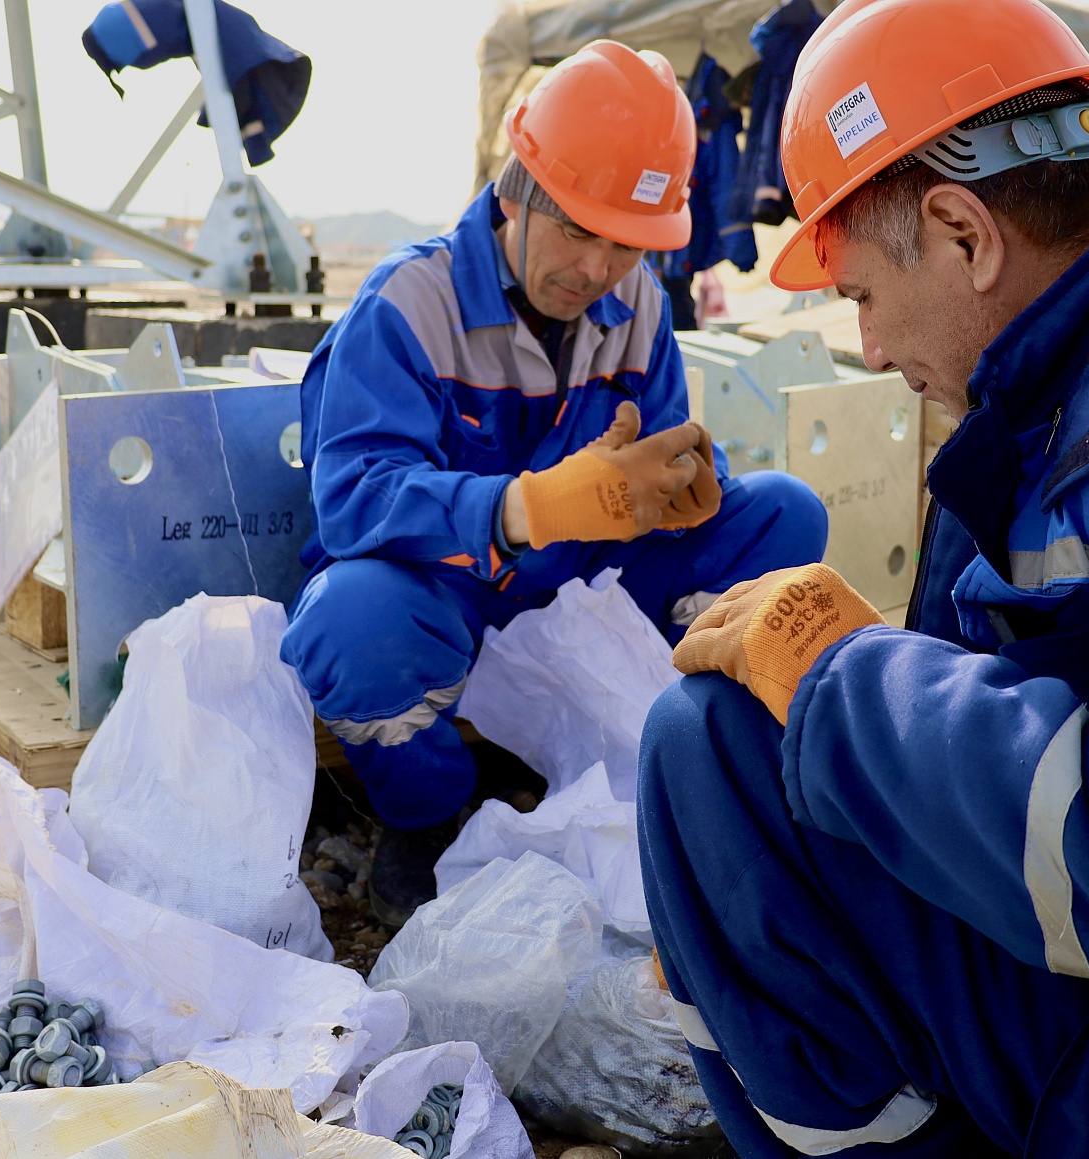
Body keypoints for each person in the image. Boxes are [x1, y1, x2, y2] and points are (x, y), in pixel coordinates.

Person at [638, 0, 1089, 1154]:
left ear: (965, 231)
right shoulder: (1053, 395)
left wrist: (845, 678)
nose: (870, 349)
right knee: (731, 787)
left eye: (865, 298)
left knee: (713, 748)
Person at [280, 40, 828, 927]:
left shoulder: (640, 303)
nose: (598, 270)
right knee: (348, 624)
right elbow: (354, 499)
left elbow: (663, 448)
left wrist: (690, 484)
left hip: (580, 584)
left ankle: (666, 754)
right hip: (450, 591)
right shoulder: (408, 304)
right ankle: (428, 815)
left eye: (628, 246)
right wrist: (527, 506)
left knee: (783, 517)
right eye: (579, 230)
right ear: (515, 191)